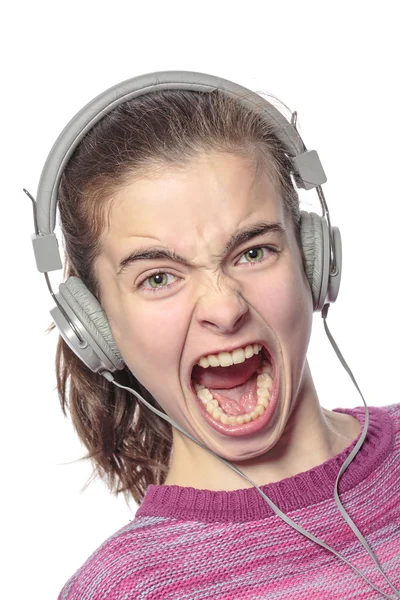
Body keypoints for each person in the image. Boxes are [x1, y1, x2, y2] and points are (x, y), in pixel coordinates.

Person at [29, 72, 400, 599]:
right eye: (158, 277)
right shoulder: (122, 589)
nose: (225, 309)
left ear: (313, 263)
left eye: (254, 251)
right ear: (94, 324)